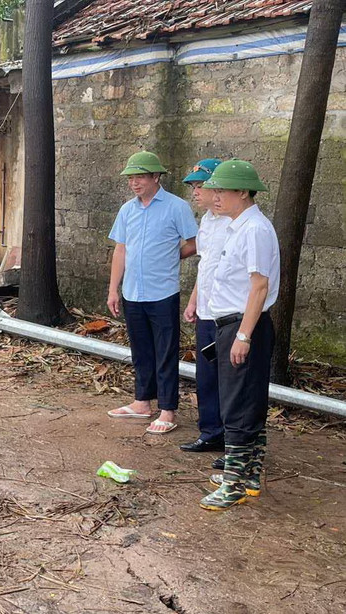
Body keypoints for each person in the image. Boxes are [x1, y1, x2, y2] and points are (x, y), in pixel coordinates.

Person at [199, 159, 279, 511]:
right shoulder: (237, 226)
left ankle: (233, 483)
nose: (214, 197)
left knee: (237, 406)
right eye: (213, 190)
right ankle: (248, 475)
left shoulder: (255, 230)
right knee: (247, 402)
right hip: (233, 324)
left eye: (222, 190)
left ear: (243, 192)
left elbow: (259, 287)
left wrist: (244, 336)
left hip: (245, 325)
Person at [106, 151, 198, 434]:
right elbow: (120, 250)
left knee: (165, 352)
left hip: (163, 292)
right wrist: (113, 289)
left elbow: (195, 243)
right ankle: (141, 402)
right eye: (131, 178)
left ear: (156, 177)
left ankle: (167, 409)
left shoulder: (177, 207)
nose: (134, 183)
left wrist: (172, 256)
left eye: (140, 177)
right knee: (141, 350)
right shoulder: (127, 210)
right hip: (133, 292)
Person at [180, 158, 228, 454]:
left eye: (200, 186)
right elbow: (205, 264)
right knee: (206, 375)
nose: (195, 192)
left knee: (229, 379)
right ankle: (210, 431)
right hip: (207, 311)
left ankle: (233, 439)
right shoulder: (208, 220)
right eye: (194, 187)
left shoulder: (233, 221)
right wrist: (195, 299)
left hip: (228, 314)